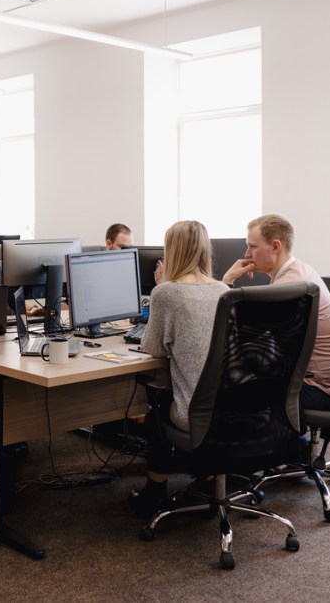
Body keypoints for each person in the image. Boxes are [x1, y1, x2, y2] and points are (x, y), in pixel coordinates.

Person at [128, 220, 228, 518]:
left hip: (195, 415)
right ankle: (210, 478)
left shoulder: (167, 293)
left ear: (171, 251)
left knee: (157, 400)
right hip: (233, 409)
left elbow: (153, 349)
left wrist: (160, 288)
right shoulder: (223, 289)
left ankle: (155, 490)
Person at [221, 213, 330, 413]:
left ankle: (277, 442)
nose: (247, 254)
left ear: (275, 246)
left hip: (319, 388)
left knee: (227, 396)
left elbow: (236, 332)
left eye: (253, 246)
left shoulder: (289, 286)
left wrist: (227, 280)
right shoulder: (299, 272)